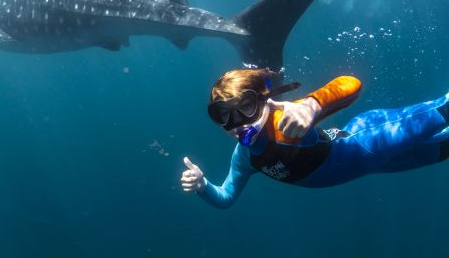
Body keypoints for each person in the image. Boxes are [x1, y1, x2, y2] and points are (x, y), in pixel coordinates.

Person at [180, 68, 449, 209]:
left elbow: (350, 83)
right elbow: (226, 197)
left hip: (370, 138)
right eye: (223, 115)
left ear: (265, 100)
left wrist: (312, 105)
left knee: (444, 109)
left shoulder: (286, 117)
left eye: (246, 107)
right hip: (376, 164)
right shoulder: (244, 158)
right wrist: (203, 186)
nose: (237, 123)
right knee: (445, 150)